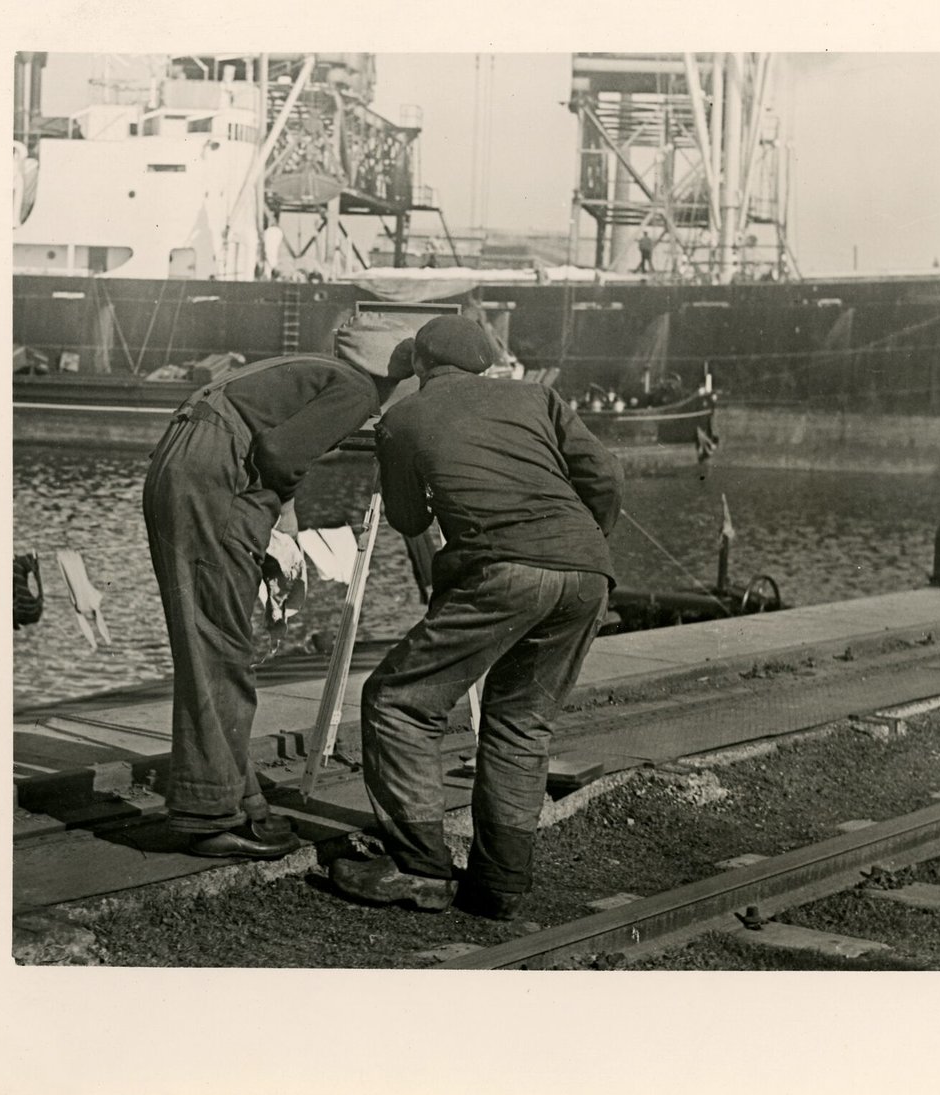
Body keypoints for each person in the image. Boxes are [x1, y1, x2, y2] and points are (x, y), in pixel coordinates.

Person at [330, 316, 622, 919]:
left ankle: (419, 868)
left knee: (399, 701)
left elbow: (409, 521)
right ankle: (500, 885)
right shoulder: (538, 397)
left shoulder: (404, 417)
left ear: (418, 364)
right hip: (589, 573)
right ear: (487, 360)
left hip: (503, 571)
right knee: (521, 721)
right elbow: (607, 476)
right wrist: (584, 545)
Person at [143, 350, 410, 858]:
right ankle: (208, 818)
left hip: (183, 464)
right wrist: (282, 508)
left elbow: (267, 441)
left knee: (211, 645)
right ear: (393, 379)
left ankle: (239, 801)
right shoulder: (357, 389)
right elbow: (282, 454)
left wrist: (275, 510)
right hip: (211, 475)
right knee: (220, 651)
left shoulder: (307, 367)